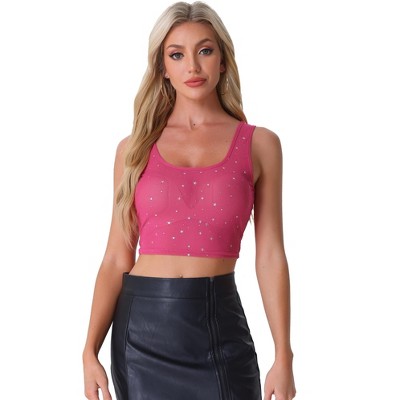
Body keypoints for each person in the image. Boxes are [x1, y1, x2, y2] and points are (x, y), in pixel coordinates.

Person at [82, 2, 296, 399]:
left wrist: (284, 355)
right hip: (141, 336)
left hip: (219, 328)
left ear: (223, 60)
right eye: (177, 55)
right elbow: (116, 257)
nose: (193, 67)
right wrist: (89, 351)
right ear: (162, 67)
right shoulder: (133, 149)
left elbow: (270, 255)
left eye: (205, 50)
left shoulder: (260, 144)